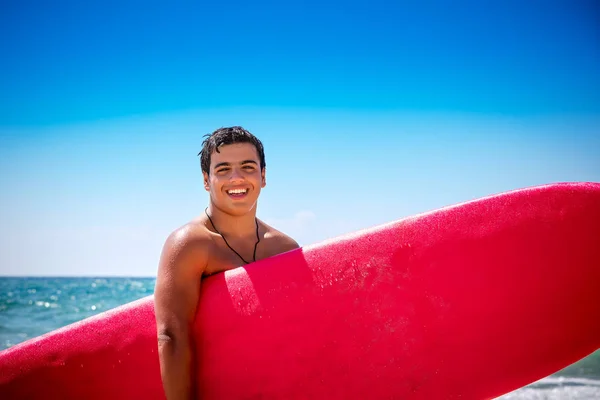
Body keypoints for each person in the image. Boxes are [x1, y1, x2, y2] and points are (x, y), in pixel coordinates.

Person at [153, 126, 300, 400]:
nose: (236, 178)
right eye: (222, 169)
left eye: (247, 166)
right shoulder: (191, 244)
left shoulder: (285, 248)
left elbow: (297, 331)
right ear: (206, 180)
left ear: (263, 176)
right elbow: (172, 336)